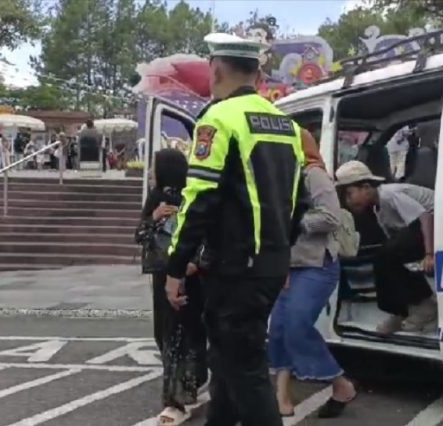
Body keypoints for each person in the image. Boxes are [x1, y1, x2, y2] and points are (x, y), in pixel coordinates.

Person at [165, 32, 307, 426]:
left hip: (234, 268)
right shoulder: (287, 125)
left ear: (216, 70)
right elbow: (299, 202)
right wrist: (281, 256)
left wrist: (175, 266)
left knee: (244, 369)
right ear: (258, 74)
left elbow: (199, 199)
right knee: (227, 359)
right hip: (269, 264)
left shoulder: (218, 118)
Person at [268, 130, 357, 419]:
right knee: (278, 330)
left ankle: (340, 384)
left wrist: (294, 221)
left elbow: (331, 217)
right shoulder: (282, 177)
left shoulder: (313, 174)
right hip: (287, 266)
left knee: (296, 326)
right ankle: (281, 395)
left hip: (317, 265)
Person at [135, 148, 208, 425]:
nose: (151, 172)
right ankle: (191, 381)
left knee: (177, 335)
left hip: (179, 275)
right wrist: (153, 218)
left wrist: (195, 262)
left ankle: (176, 399)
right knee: (174, 333)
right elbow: (141, 235)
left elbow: (140, 235)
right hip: (174, 274)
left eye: (154, 167)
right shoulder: (167, 196)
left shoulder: (181, 196)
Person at [335, 160, 437, 334]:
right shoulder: (378, 209)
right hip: (420, 229)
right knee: (384, 258)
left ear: (366, 187)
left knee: (387, 255)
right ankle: (400, 311)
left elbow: (425, 217)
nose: (348, 201)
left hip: (435, 223)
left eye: (349, 194)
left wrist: (429, 254)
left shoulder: (389, 195)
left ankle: (425, 305)